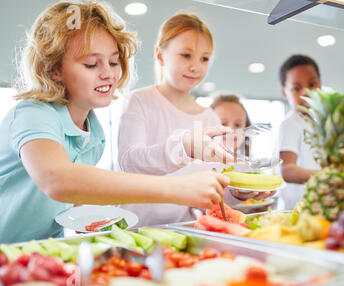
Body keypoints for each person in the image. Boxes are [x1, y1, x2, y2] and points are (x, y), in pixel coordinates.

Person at [0, 2, 229, 244]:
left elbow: (77, 194)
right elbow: (57, 179)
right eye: (91, 64)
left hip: (38, 247)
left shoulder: (93, 132)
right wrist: (177, 188)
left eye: (113, 62)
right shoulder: (32, 113)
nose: (108, 74)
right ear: (53, 69)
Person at [118, 13, 270, 224]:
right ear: (160, 55)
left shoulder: (209, 117)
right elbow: (129, 161)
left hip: (183, 227)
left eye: (204, 58)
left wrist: (238, 193)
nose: (195, 66)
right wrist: (183, 147)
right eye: (186, 55)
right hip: (135, 225)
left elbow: (213, 188)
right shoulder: (141, 100)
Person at [278, 54, 323, 210]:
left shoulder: (322, 123)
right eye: (297, 88)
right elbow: (288, 170)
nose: (306, 92)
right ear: (285, 92)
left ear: (320, 84)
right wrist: (328, 176)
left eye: (312, 84)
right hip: (299, 209)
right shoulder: (289, 123)